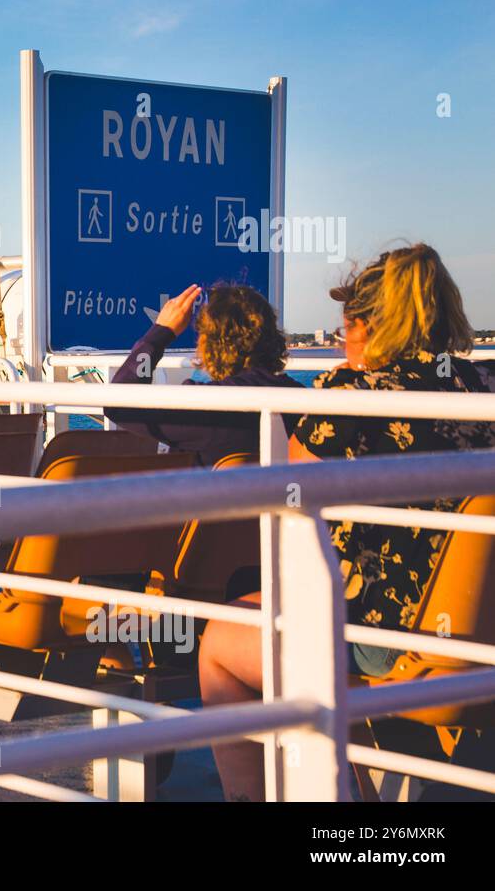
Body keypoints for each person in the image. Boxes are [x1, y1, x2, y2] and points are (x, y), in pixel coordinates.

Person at [198, 243, 495, 801]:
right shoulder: (481, 387)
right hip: (478, 626)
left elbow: (285, 496)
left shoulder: (351, 396)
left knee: (218, 643)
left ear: (368, 328)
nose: (340, 343)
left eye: (344, 330)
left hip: (389, 633)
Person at [107, 282, 304, 466]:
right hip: (280, 502)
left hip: (212, 503)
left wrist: (160, 333)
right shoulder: (303, 398)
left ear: (209, 345)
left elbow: (118, 404)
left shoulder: (206, 405)